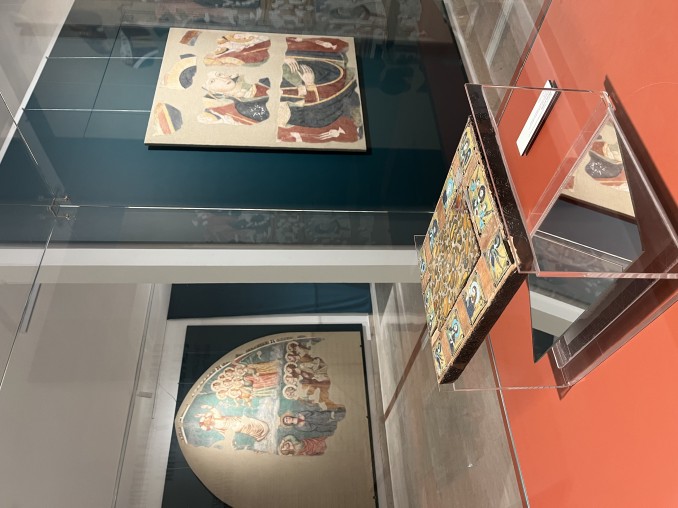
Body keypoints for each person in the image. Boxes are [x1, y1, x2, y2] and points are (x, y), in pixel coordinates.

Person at [199, 72, 271, 125]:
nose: (222, 79)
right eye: (212, 81)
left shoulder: (262, 82)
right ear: (212, 91)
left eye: (219, 74)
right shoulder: (227, 110)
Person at [280, 407, 346, 433]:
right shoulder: (297, 427)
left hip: (318, 416)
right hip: (319, 425)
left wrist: (304, 416)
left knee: (333, 415)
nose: (288, 419)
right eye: (287, 421)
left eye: (287, 418)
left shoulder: (298, 414)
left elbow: (310, 412)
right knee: (338, 425)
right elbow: (309, 429)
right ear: (288, 424)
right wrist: (304, 423)